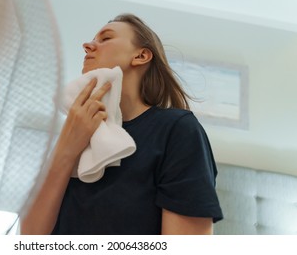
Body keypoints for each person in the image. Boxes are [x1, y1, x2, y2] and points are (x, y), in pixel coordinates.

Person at [21, 13, 223, 235]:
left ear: (141, 55)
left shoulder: (177, 129)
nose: (87, 46)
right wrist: (65, 149)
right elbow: (30, 236)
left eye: (105, 38)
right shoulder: (79, 133)